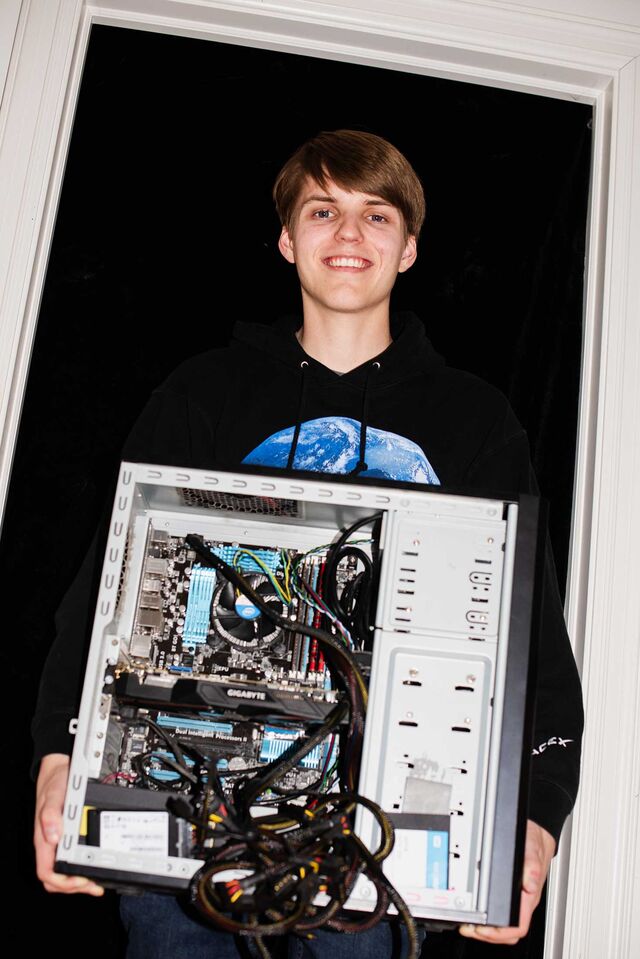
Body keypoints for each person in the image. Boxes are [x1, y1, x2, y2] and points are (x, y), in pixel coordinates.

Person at [33, 129, 583, 954]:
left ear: (409, 250)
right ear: (289, 240)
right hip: (193, 825)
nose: (350, 234)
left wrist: (535, 815)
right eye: (323, 211)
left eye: (377, 214)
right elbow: (106, 589)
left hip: (378, 846)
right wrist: (58, 756)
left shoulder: (474, 423)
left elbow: (528, 631)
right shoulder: (204, 393)